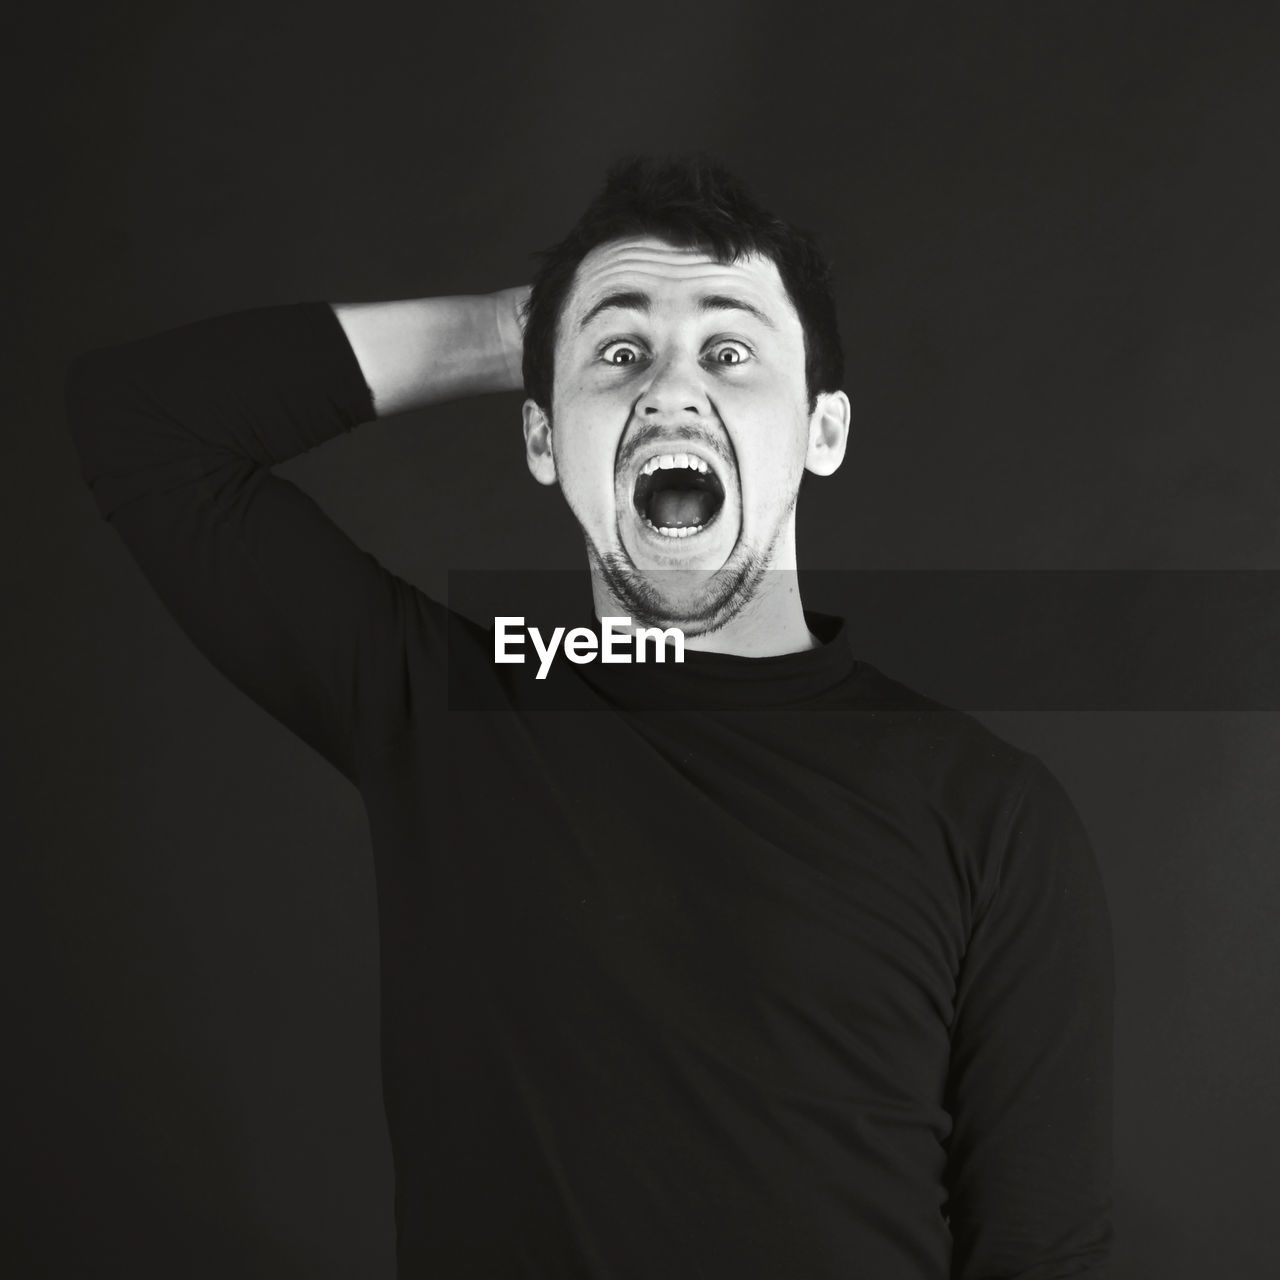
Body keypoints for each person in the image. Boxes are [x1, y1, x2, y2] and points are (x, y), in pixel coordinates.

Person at [67, 156, 1114, 1278]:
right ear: (541, 440)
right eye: (620, 357)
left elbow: (1038, 1249)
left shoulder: (988, 810)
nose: (668, 388)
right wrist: (524, 328)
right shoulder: (450, 707)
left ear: (822, 431)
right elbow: (146, 423)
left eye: (728, 350)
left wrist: (599, 329)